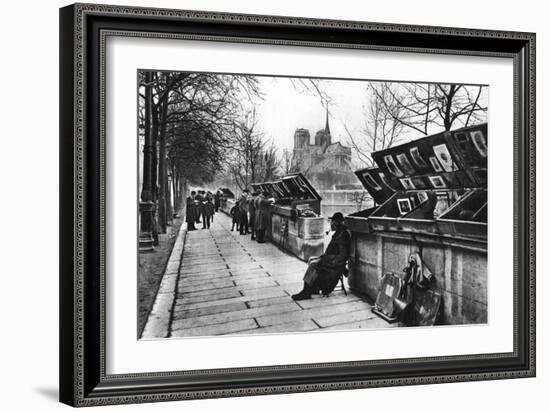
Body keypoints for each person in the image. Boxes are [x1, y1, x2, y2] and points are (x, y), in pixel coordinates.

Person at [291, 212, 351, 300]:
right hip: (331, 261)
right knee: (312, 260)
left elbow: (342, 256)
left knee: (313, 264)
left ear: (337, 222)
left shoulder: (342, 235)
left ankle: (306, 291)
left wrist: (324, 260)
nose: (331, 224)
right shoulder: (339, 233)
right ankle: (311, 288)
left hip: (334, 265)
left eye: (333, 221)